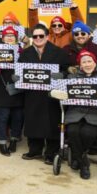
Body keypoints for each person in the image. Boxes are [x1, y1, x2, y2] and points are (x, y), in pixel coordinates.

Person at [49, 50, 97, 179]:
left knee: (87, 132)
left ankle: (77, 158)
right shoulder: (72, 77)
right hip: (76, 113)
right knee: (72, 131)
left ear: (95, 62)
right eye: (84, 62)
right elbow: (54, 89)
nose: (87, 64)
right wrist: (54, 93)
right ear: (80, 65)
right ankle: (83, 162)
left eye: (89, 61)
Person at [17, 23, 71, 163]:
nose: (38, 38)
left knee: (52, 122)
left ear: (47, 36)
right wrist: (17, 78)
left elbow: (68, 69)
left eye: (41, 36)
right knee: (33, 120)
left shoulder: (59, 52)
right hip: (32, 94)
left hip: (51, 94)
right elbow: (20, 71)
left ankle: (51, 152)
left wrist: (62, 75)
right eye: (35, 36)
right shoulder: (25, 53)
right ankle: (34, 150)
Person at [0, 26, 24, 156]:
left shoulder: (22, 51)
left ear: (16, 38)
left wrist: (20, 74)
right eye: (7, 36)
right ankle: (2, 143)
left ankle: (14, 140)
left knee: (17, 117)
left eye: (12, 35)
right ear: (2, 38)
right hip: (2, 88)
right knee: (3, 117)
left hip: (18, 87)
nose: (9, 38)